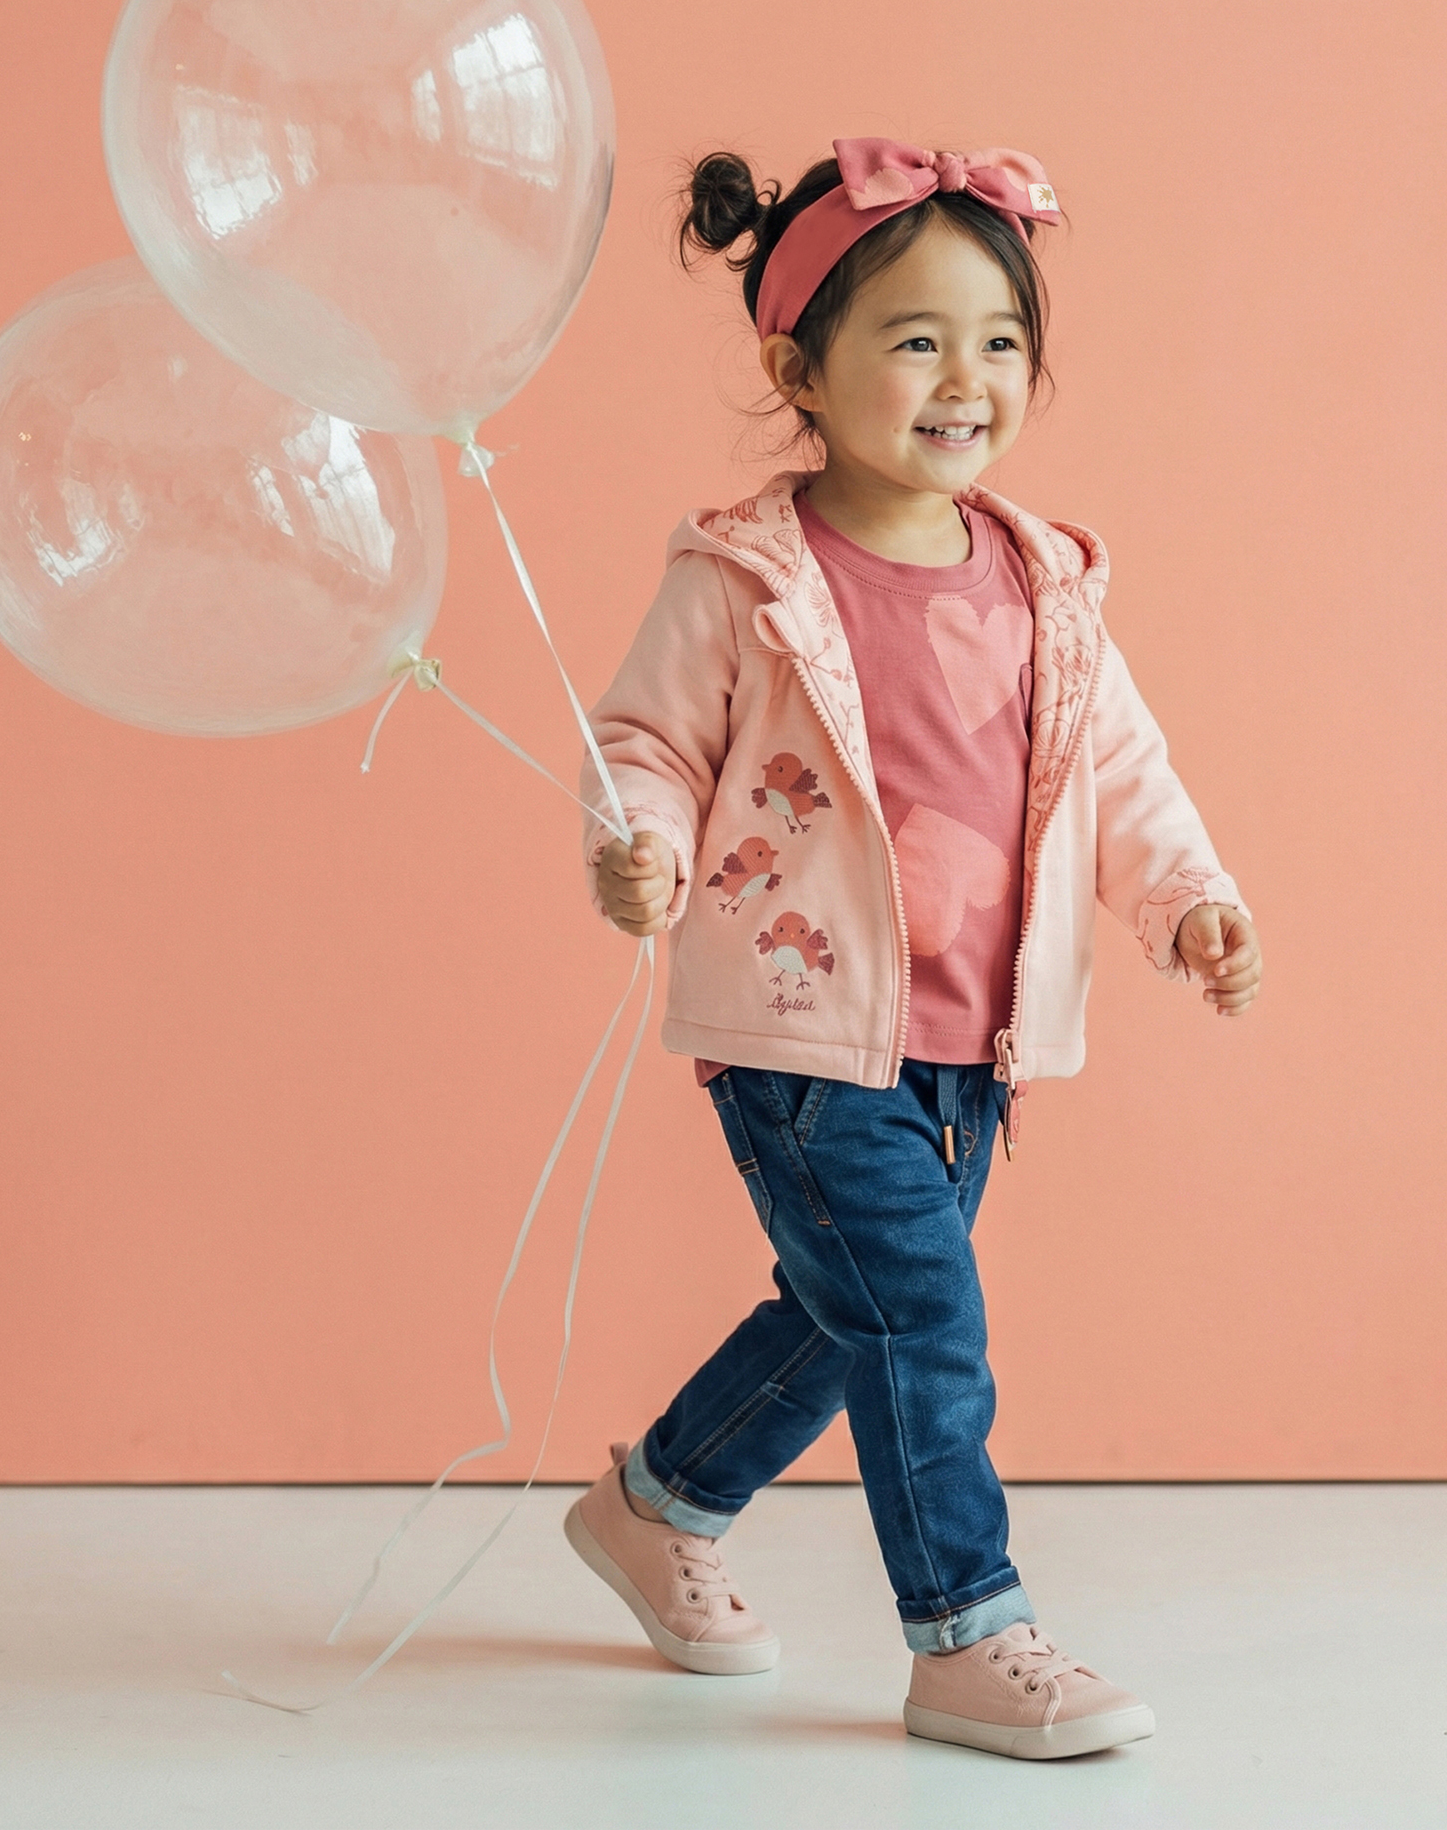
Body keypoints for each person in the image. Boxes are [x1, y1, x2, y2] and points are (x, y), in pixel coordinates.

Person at [563, 139, 1262, 1760]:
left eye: (1000, 340)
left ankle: (657, 1503)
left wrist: (1187, 900)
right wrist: (640, 844)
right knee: (924, 1323)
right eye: (917, 340)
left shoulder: (1042, 576)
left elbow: (1117, 768)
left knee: (849, 1310)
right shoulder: (750, 577)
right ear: (798, 371)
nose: (967, 379)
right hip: (806, 1030)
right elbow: (647, 742)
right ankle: (968, 1631)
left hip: (975, 1047)